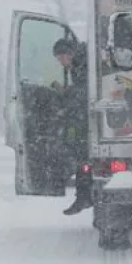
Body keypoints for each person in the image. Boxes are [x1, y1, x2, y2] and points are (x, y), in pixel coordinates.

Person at [51, 37, 93, 216]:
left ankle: (84, 197)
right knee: (81, 158)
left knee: (82, 158)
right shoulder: (81, 62)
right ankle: (83, 195)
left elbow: (84, 93)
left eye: (61, 59)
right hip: (84, 119)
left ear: (69, 54)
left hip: (86, 120)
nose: (61, 63)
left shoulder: (81, 66)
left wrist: (64, 92)